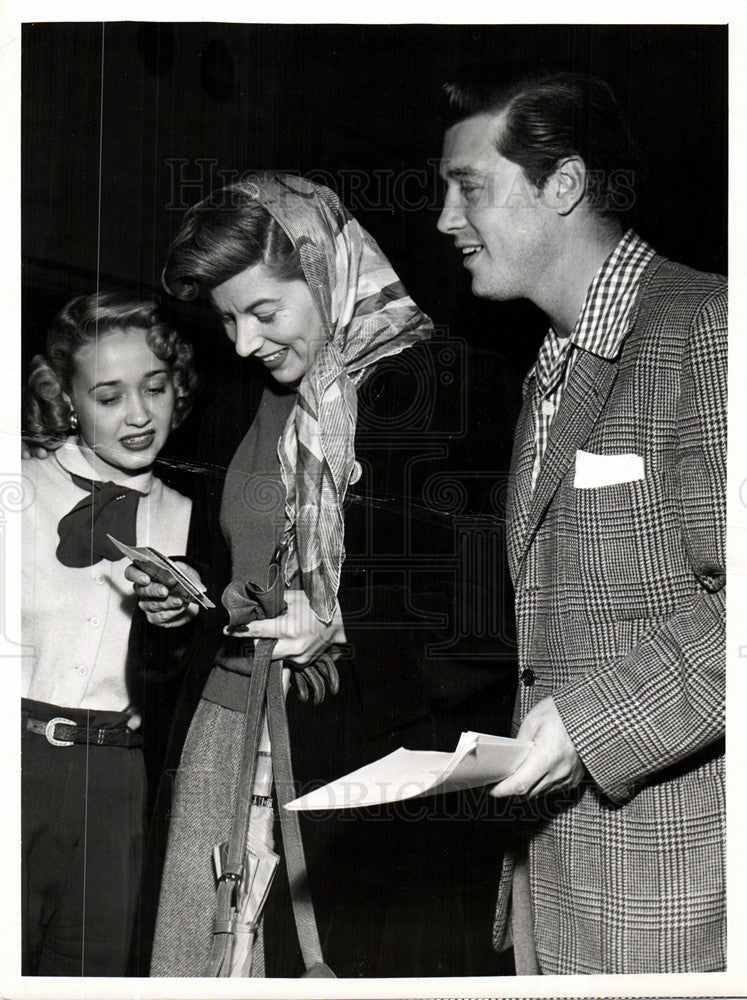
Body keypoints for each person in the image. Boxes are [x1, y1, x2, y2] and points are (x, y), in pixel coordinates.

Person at [128, 172, 520, 977]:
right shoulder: (246, 403)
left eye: (264, 312)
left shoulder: (449, 386)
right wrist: (185, 603)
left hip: (366, 783)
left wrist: (343, 626)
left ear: (326, 271)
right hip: (229, 745)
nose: (242, 343)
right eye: (227, 319)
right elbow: (231, 566)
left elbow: (487, 620)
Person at [437, 71, 726, 975]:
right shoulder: (549, 369)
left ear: (562, 185)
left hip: (675, 892)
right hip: (555, 875)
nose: (446, 219)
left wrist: (591, 724)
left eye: (469, 187)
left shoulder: (706, 328)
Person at [21, 292, 197, 976]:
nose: (137, 415)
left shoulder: (191, 519)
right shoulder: (18, 487)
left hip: (121, 783)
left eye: (154, 388)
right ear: (65, 399)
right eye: (107, 394)